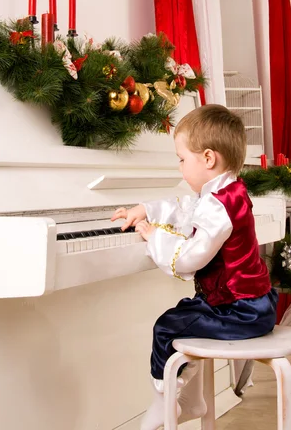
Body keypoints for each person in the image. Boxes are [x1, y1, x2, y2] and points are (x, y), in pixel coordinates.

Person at [111, 104, 277, 430]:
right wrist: (144, 209)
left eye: (182, 159)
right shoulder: (224, 192)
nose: (179, 167)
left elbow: (190, 257)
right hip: (248, 303)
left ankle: (165, 401)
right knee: (186, 317)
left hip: (240, 310)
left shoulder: (218, 205)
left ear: (208, 158)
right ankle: (191, 401)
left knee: (167, 326)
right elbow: (186, 209)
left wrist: (154, 236)